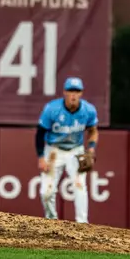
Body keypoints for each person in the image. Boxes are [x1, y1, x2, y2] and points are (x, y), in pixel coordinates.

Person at [35, 76, 99, 223]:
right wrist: (41, 157)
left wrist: (91, 149)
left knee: (79, 186)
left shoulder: (88, 110)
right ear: (64, 92)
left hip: (75, 150)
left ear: (81, 93)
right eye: (70, 91)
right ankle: (51, 222)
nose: (73, 95)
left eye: (76, 91)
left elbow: (93, 131)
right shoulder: (52, 109)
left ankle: (82, 224)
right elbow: (40, 133)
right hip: (53, 151)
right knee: (46, 192)